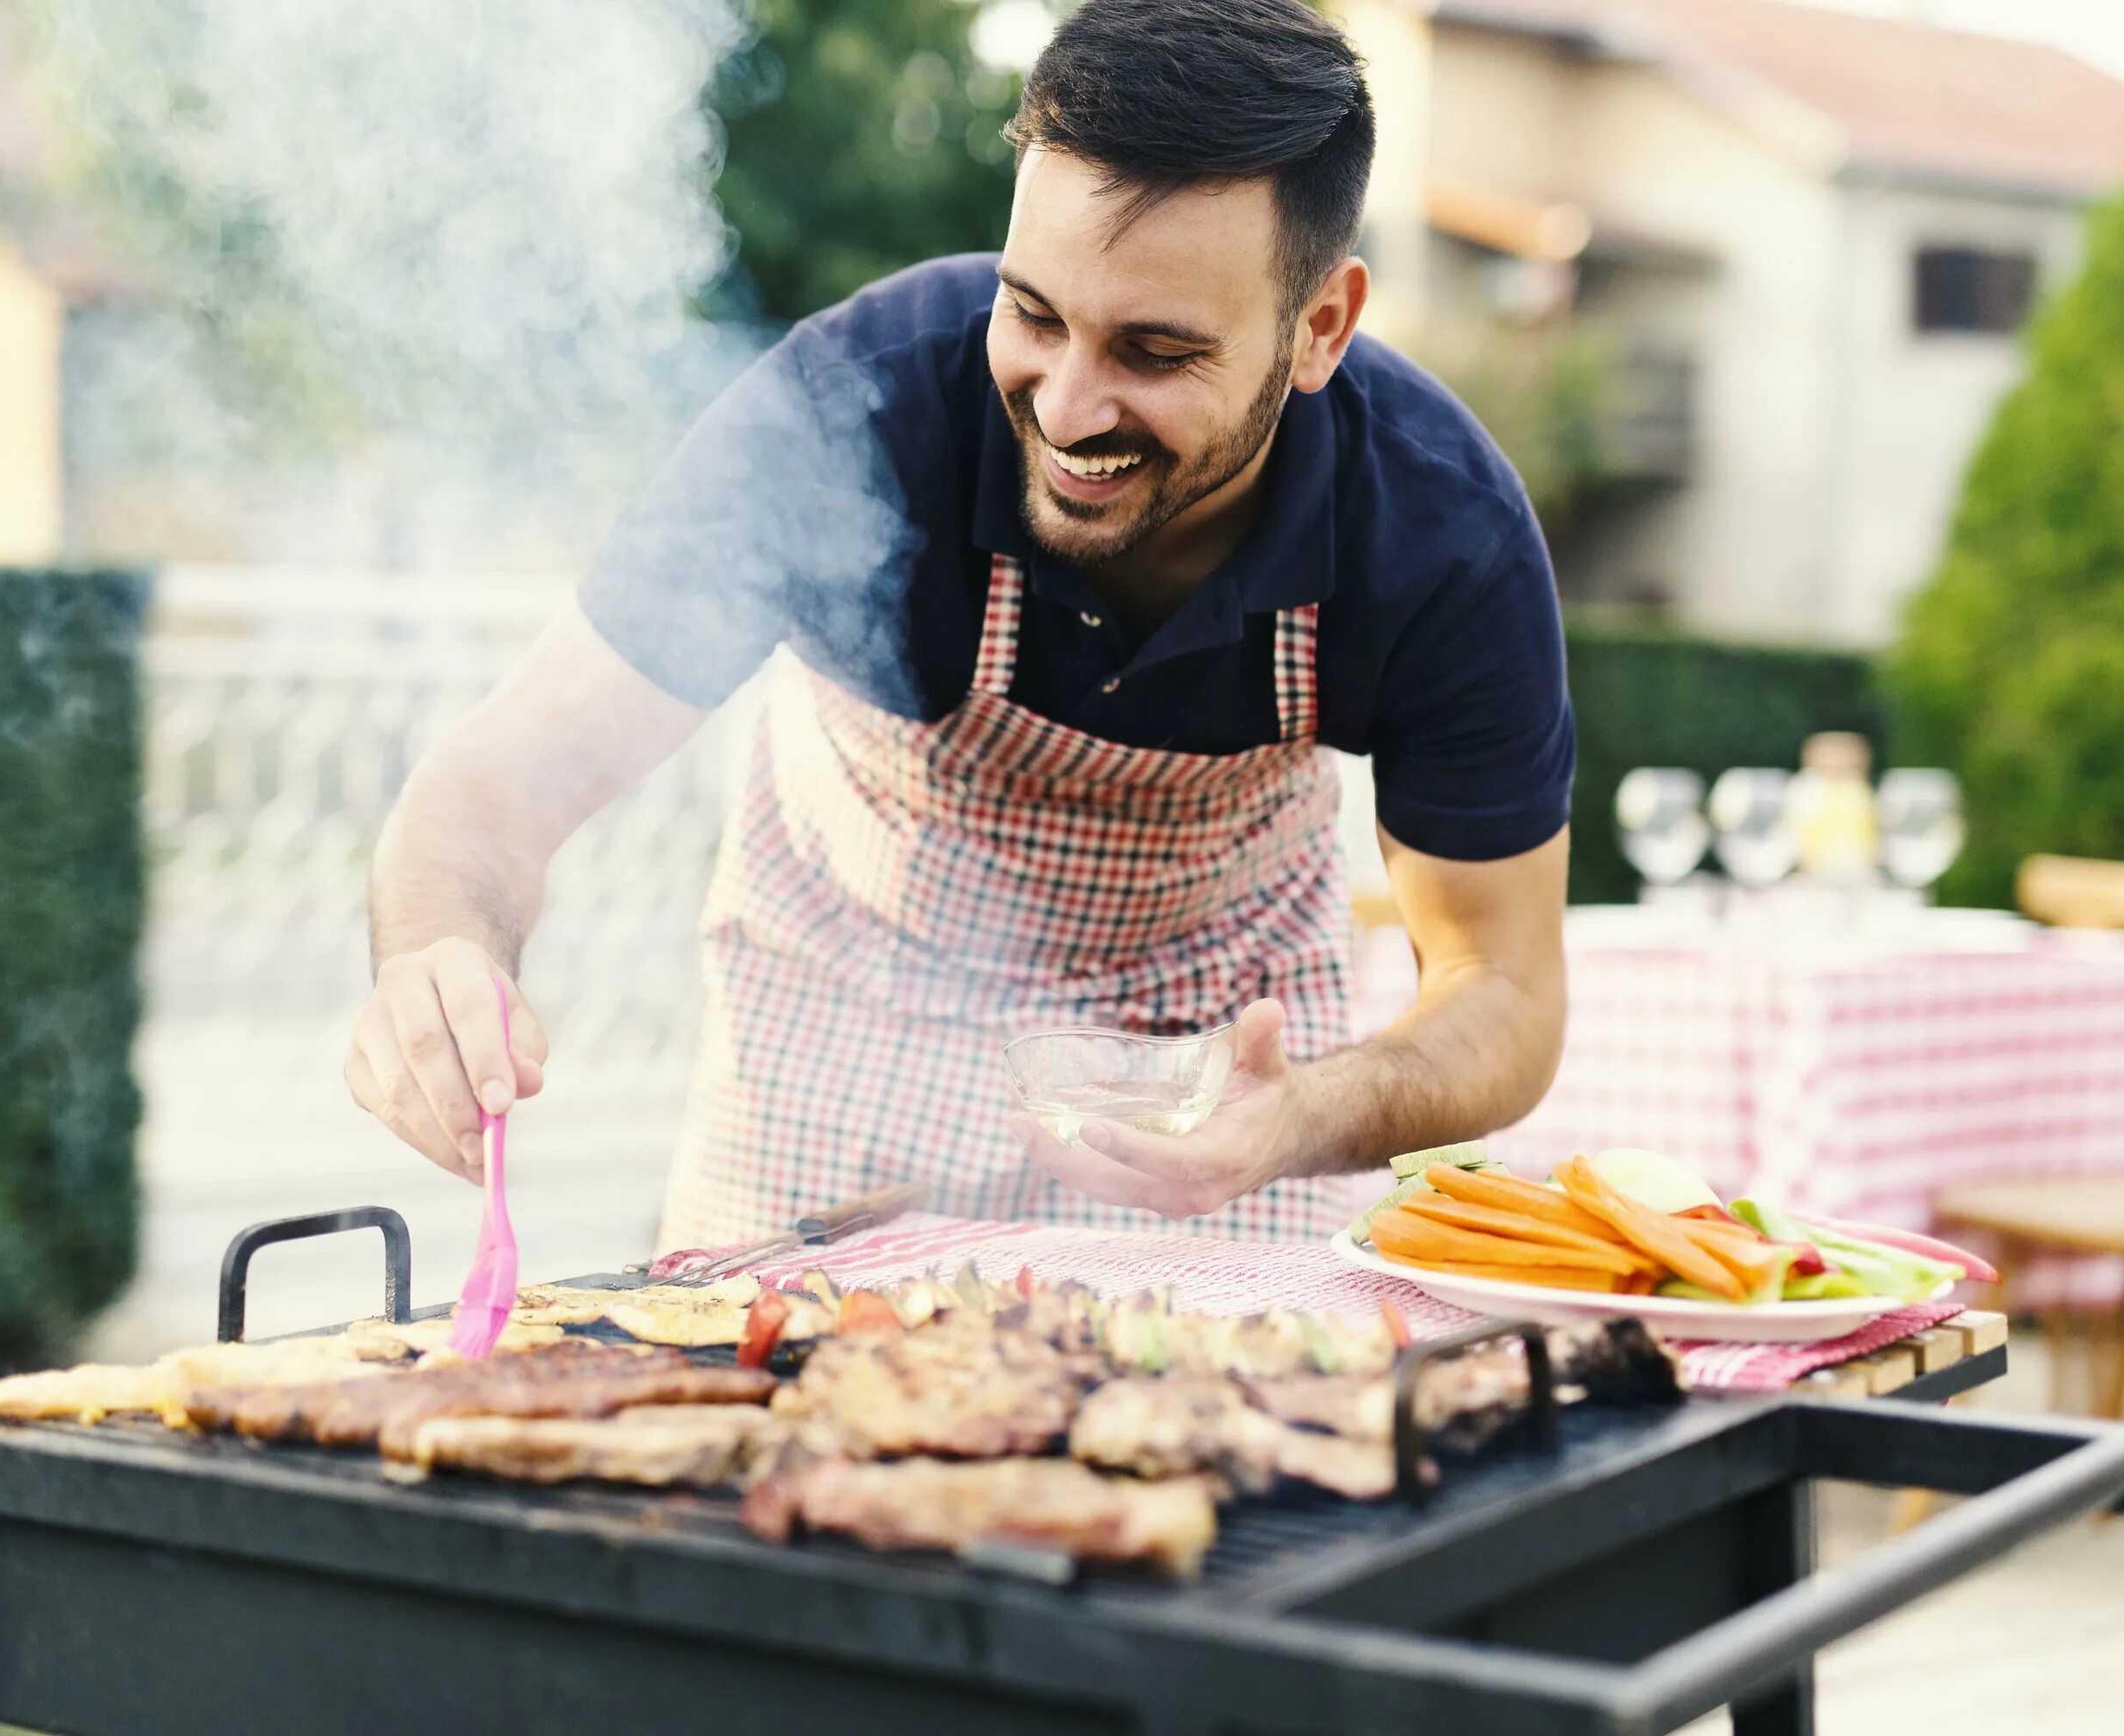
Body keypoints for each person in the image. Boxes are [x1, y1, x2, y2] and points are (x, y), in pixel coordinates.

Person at [347, 0, 1574, 1249]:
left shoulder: (1438, 535)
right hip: (842, 1028)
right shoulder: (852, 410)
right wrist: (436, 955)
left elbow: (1505, 995)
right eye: (1035, 314)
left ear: (1319, 328)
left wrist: (1300, 1115)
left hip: (1209, 1088)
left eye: (1154, 352)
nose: (1069, 406)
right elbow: (490, 791)